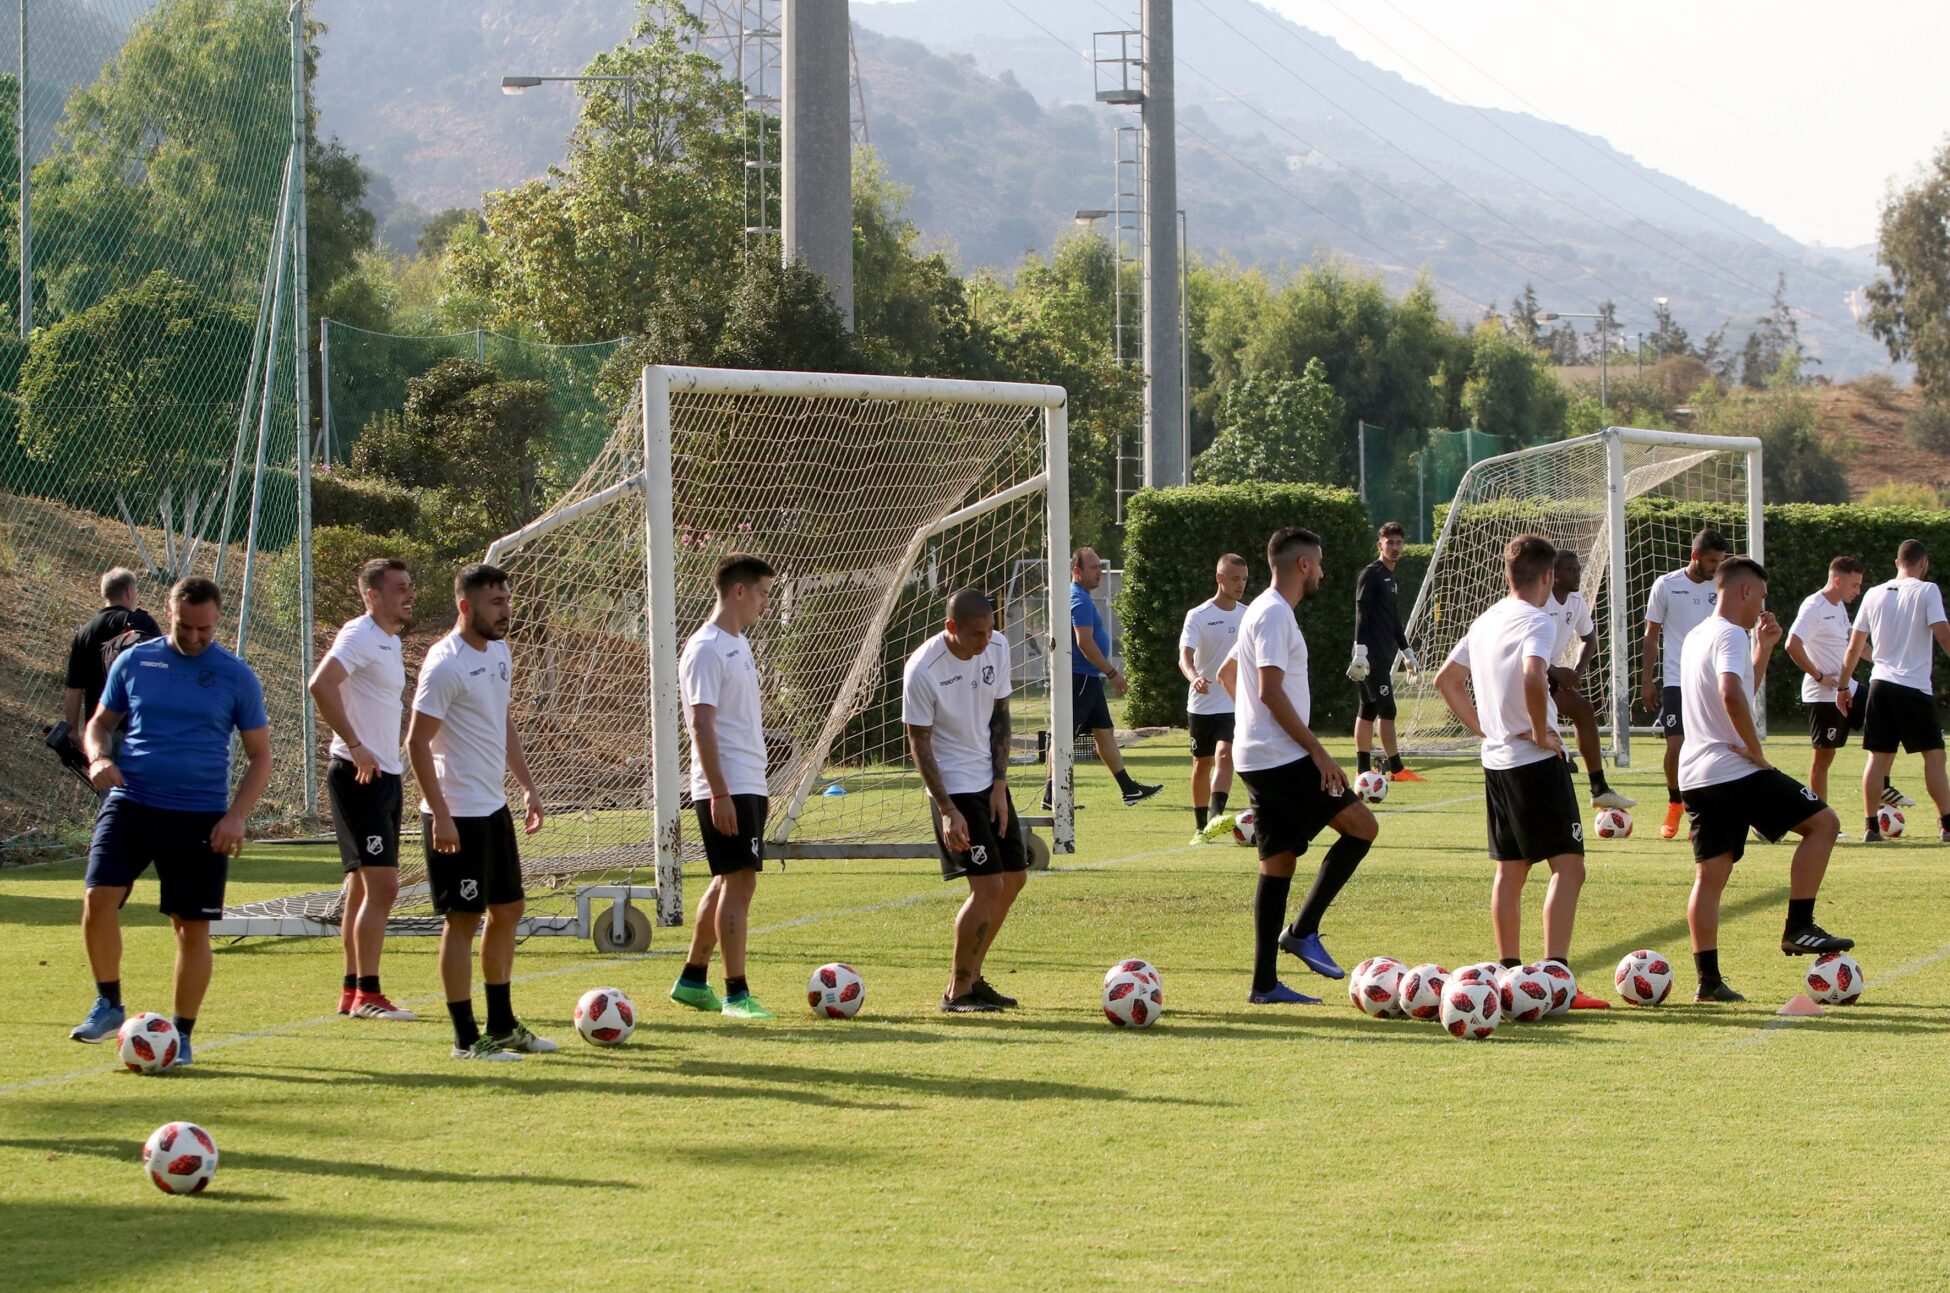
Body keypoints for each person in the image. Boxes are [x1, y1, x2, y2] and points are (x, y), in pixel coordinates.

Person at [68, 577, 272, 1064]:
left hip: (200, 815)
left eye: (205, 629)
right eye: (185, 627)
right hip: (132, 801)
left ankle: (181, 1035)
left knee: (191, 928)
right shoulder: (135, 661)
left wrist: (236, 817)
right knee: (98, 898)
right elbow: (100, 724)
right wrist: (98, 756)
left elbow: (260, 756)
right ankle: (108, 1004)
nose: (195, 637)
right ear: (169, 612)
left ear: (217, 620)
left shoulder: (236, 675)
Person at [1435, 536, 1607, 1009]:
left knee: (1510, 871)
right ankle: (1558, 981)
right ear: (1547, 577)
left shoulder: (1485, 620)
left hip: (1496, 761)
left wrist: (1485, 731)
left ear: (1508, 575)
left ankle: (1508, 974)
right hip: (1534, 762)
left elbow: (1446, 680)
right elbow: (1534, 675)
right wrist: (1536, 730)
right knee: (1569, 868)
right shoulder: (1537, 620)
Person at [1679, 556, 1851, 1004]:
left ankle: (1708, 982)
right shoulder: (1731, 633)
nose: (1763, 605)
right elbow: (1730, 694)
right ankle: (1799, 926)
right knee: (1824, 823)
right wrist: (1755, 752)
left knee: (1710, 877)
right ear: (1745, 591)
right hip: (1732, 769)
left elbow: (1737, 689)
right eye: (1762, 595)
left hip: (1696, 774)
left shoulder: (1698, 635)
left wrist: (1766, 647)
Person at [1218, 527, 1378, 1005]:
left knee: (1278, 863)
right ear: (1303, 564)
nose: (1323, 573)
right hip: (1282, 757)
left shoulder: (1260, 610)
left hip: (1260, 756)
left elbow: (1228, 674)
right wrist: (1318, 752)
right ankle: (1303, 931)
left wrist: (1250, 724)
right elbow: (1269, 690)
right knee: (1362, 828)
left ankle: (1264, 984)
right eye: (1320, 564)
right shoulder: (1273, 614)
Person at [406, 563, 553, 1060]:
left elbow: (501, 719)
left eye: (507, 600)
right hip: (456, 815)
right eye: (496, 603)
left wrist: (527, 787)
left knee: (508, 910)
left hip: (493, 807)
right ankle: (466, 1039)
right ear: (465, 606)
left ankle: (503, 1025)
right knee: (463, 920)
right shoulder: (444, 665)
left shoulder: (500, 653)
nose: (506, 610)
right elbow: (417, 743)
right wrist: (442, 814)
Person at [905, 587, 1025, 1013]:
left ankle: (973, 976)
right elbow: (919, 743)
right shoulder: (923, 669)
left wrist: (999, 784)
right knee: (987, 885)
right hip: (953, 786)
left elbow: (1001, 717)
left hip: (987, 781)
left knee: (1014, 878)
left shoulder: (997, 646)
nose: (985, 640)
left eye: (990, 629)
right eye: (976, 633)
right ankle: (957, 991)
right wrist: (947, 809)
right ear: (951, 627)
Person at [669, 554, 778, 1020]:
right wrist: (719, 792)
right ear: (738, 591)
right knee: (740, 882)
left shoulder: (739, 643)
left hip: (748, 781)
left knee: (726, 880)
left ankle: (693, 981)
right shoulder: (706, 648)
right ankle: (736, 994)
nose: (765, 604)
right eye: (762, 594)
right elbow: (700, 724)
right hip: (727, 785)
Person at [308, 557, 417, 1022]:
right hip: (358, 774)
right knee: (384, 886)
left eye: (410, 586)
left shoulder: (390, 641)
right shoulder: (359, 634)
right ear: (372, 594)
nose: (410, 594)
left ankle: (353, 990)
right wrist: (355, 744)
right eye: (399, 588)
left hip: (384, 775)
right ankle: (370, 994)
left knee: (360, 886)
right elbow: (320, 684)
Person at [1840, 539, 1950, 844]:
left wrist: (1842, 685)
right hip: (1914, 688)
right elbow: (1943, 635)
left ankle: (1871, 827)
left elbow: (1854, 646)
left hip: (1880, 685)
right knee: (1934, 756)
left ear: (1896, 563)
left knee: (1877, 758)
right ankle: (1947, 825)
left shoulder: (1873, 593)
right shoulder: (1927, 590)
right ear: (1924, 563)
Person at [1046, 548, 1159, 809]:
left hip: (1089, 678)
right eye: (1093, 568)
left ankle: (1129, 789)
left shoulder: (1080, 596)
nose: (1099, 572)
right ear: (1077, 571)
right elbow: (1084, 642)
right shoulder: (1079, 599)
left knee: (1105, 732)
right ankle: (1052, 796)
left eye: (1100, 567)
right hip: (1080, 678)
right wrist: (1112, 672)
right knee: (1064, 737)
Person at [1642, 528, 1731, 838]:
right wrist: (1646, 680)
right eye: (1712, 561)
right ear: (1695, 556)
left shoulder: (1721, 587)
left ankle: (1704, 811)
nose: (1716, 567)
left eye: (1720, 561)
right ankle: (1674, 803)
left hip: (1711, 680)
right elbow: (1651, 634)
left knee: (1714, 747)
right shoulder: (1666, 585)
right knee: (1676, 745)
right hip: (1676, 680)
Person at [1783, 556, 1882, 806]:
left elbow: (1855, 643)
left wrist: (1883, 662)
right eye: (1854, 585)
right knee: (1824, 759)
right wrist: (1818, 675)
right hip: (1824, 696)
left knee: (1886, 719)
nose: (1858, 591)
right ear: (1837, 581)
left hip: (1849, 688)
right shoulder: (1813, 607)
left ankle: (1885, 787)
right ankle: (1819, 815)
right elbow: (1792, 644)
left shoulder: (1838, 606)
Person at [1542, 550, 1633, 810]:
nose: (1577, 575)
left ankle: (1599, 788)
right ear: (1554, 574)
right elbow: (1522, 648)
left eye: (1578, 570)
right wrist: (1555, 671)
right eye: (1570, 570)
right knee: (1540, 735)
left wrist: (1576, 673)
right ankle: (1556, 765)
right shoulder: (1540, 601)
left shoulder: (1576, 601)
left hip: (1549, 675)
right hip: (1526, 676)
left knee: (1583, 709)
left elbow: (1589, 638)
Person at [1179, 554, 1248, 843]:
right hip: (1202, 704)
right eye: (1235, 579)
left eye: (1244, 579)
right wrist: (1194, 677)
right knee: (1201, 764)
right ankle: (1200, 827)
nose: (1241, 584)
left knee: (1225, 755)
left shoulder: (1249, 615)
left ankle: (1215, 817)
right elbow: (1185, 656)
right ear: (1220, 578)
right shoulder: (1198, 615)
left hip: (1233, 701)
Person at [1349, 521, 1424, 783]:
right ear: (1379, 544)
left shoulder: (1390, 577)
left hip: (1381, 654)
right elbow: (1361, 612)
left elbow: (1392, 620)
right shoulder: (1371, 574)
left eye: (1398, 542)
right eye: (1389, 542)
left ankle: (1361, 768)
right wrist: (1360, 651)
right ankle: (1397, 769)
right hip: (1370, 656)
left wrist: (1407, 652)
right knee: (1387, 710)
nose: (1394, 547)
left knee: (1368, 709)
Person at [62, 567, 161, 745]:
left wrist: (73, 731)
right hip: (136, 730)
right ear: (129, 592)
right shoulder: (142, 624)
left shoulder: (85, 632)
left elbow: (73, 689)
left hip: (99, 733)